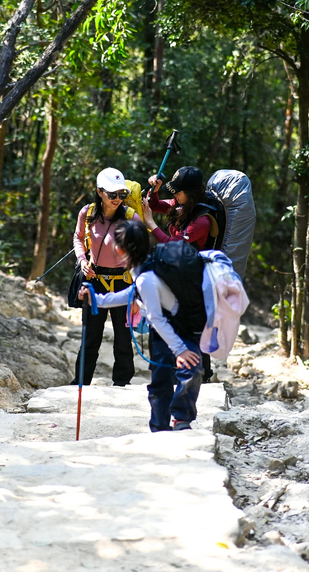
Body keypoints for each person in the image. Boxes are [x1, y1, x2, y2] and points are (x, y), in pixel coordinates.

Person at [79, 221, 205, 432]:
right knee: (178, 373)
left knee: (171, 375)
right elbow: (134, 294)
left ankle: (175, 422)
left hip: (169, 327)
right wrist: (97, 299)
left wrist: (180, 350)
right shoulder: (150, 263)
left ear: (119, 249)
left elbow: (156, 318)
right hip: (185, 322)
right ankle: (168, 425)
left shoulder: (144, 276)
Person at [72, 167, 143, 387]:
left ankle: (122, 383)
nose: (117, 199)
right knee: (90, 337)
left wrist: (138, 295)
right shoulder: (87, 213)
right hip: (95, 282)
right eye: (112, 194)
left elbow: (141, 256)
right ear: (100, 191)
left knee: (123, 339)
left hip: (124, 283)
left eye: (121, 194)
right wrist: (83, 260)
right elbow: (77, 237)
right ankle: (81, 382)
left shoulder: (132, 218)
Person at [144, 165, 215, 382]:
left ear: (190, 192)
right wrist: (155, 189)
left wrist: (150, 224)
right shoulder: (180, 205)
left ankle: (201, 375)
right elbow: (155, 204)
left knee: (193, 329)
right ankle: (172, 371)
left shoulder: (202, 219)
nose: (174, 195)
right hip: (175, 278)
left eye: (177, 191)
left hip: (195, 282)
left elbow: (173, 244)